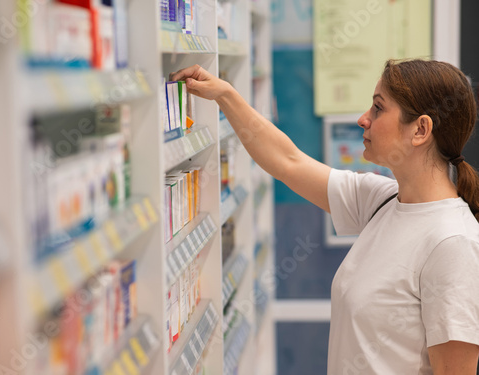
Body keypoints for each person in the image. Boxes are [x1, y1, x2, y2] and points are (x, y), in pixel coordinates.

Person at [170, 59, 479, 374]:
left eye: (378, 108)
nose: (363, 119)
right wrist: (225, 95)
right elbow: (288, 162)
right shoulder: (382, 201)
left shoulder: (452, 243)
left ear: (420, 130)